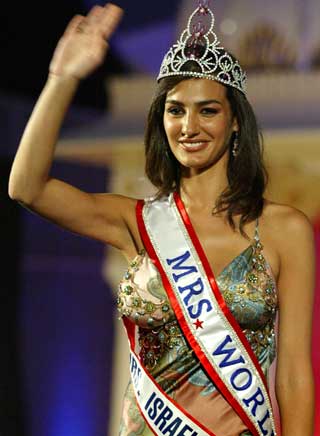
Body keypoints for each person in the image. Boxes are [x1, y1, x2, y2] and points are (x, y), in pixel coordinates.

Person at [8, 2, 315, 436]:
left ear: (235, 124)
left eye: (208, 110)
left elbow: (295, 376)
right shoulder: (134, 221)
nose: (189, 125)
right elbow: (26, 188)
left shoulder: (285, 229)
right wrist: (63, 78)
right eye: (175, 110)